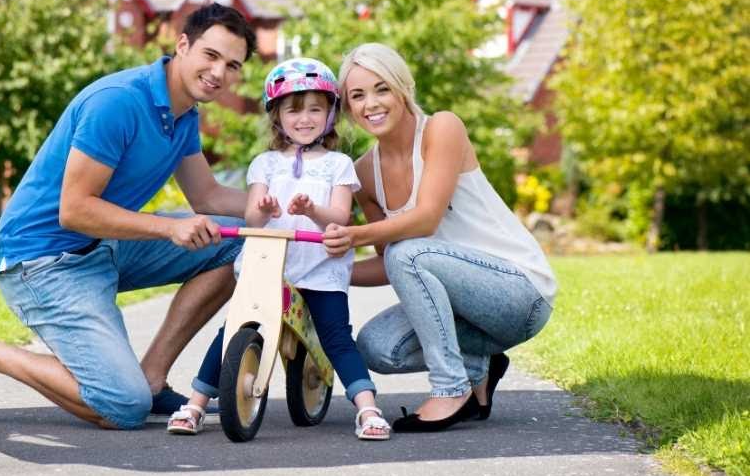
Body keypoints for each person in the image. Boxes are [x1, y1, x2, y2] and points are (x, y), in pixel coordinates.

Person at [0, 4, 258, 430]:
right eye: (211, 56)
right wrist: (169, 228)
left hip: (101, 246)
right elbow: (74, 210)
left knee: (236, 245)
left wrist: (277, 202)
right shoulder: (119, 103)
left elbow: (209, 196)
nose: (219, 73)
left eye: (232, 65)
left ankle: (152, 377)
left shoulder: (183, 116)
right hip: (41, 261)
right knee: (122, 406)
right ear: (182, 45)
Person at [322, 43, 557, 432]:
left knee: (408, 252)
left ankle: (451, 388)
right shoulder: (364, 174)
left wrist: (355, 234)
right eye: (357, 96)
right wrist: (321, 271)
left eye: (382, 88)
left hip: (519, 294)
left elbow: (426, 220)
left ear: (403, 88)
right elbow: (387, 262)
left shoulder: (442, 128)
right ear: (347, 108)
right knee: (377, 347)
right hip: (462, 307)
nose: (371, 104)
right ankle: (477, 367)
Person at [166, 58, 391, 440]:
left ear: (330, 115)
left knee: (336, 336)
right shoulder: (266, 164)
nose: (305, 119)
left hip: (320, 269)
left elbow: (339, 219)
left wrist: (311, 210)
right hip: (270, 267)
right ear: (277, 116)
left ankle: (368, 410)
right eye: (294, 110)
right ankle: (195, 405)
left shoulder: (338, 165)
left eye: (315, 109)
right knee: (232, 329)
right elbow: (253, 218)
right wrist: (264, 209)